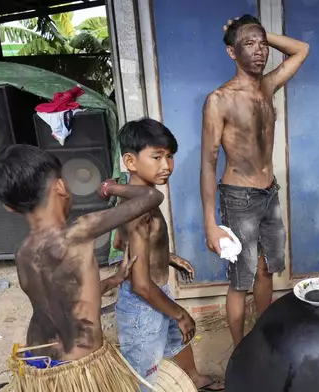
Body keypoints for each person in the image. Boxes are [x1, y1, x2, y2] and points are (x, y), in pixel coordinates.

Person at [0, 144, 163, 392]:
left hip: (38, 363)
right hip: (81, 369)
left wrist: (114, 280)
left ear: (9, 207)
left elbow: (62, 298)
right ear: (60, 186)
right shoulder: (81, 229)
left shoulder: (23, 253)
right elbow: (152, 197)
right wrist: (111, 187)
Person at [201, 14, 309, 346]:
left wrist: (260, 32)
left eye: (262, 44)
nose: (259, 51)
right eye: (249, 45)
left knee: (266, 270)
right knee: (240, 279)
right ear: (232, 53)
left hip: (269, 194)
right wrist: (210, 222)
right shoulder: (219, 100)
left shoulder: (267, 86)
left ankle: (262, 339)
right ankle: (239, 351)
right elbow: (208, 162)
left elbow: (301, 50)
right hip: (239, 197)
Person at [114, 118, 224, 391]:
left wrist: (168, 256)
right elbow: (140, 285)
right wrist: (178, 312)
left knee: (178, 339)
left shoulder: (141, 196)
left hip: (156, 290)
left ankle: (193, 378)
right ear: (130, 161)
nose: (166, 165)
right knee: (146, 372)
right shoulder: (138, 210)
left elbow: (119, 242)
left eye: (170, 156)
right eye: (157, 157)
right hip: (143, 303)